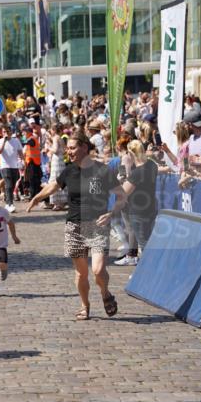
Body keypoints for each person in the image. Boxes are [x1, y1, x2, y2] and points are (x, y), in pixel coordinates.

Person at [26, 133, 126, 321]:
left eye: (72, 148)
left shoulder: (102, 170)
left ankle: (105, 292)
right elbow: (53, 186)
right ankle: (84, 305)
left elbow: (122, 196)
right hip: (74, 225)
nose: (68, 151)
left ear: (85, 148)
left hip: (97, 225)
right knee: (81, 272)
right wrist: (37, 197)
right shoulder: (69, 171)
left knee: (98, 270)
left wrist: (111, 213)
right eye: (67, 148)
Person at [117, 140, 159, 260]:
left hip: (138, 212)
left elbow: (123, 193)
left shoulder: (137, 173)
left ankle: (148, 272)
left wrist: (121, 179)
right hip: (150, 208)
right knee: (148, 241)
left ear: (131, 154)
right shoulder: (152, 165)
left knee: (144, 243)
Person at [0, 123, 23, 212]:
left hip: (14, 166)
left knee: (13, 185)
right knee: (9, 184)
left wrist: (23, 161)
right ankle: (9, 204)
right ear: (2, 133)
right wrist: (4, 141)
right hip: (5, 166)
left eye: (8, 131)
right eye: (4, 132)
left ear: (11, 132)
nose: (6, 133)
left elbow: (20, 152)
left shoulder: (16, 141)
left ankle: (8, 201)